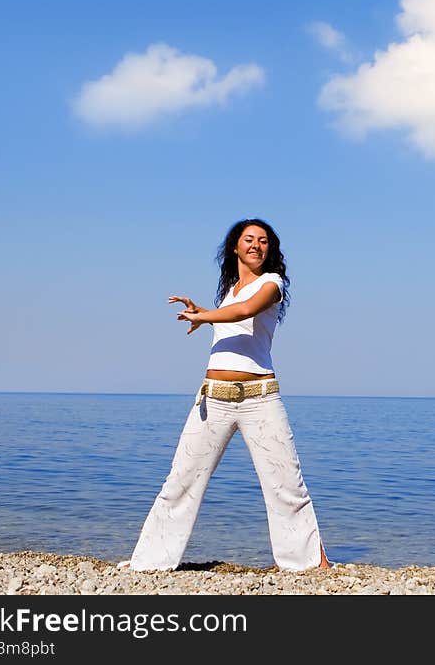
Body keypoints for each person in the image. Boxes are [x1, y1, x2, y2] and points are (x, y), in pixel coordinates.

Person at [119, 218, 331, 571]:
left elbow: (247, 311)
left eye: (264, 241)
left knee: (285, 484)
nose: (256, 245)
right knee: (181, 480)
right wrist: (205, 313)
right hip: (212, 400)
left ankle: (309, 563)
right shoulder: (230, 292)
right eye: (249, 239)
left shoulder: (272, 284)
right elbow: (234, 312)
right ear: (235, 247)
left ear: (270, 249)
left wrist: (207, 317)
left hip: (259, 398)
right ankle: (149, 562)